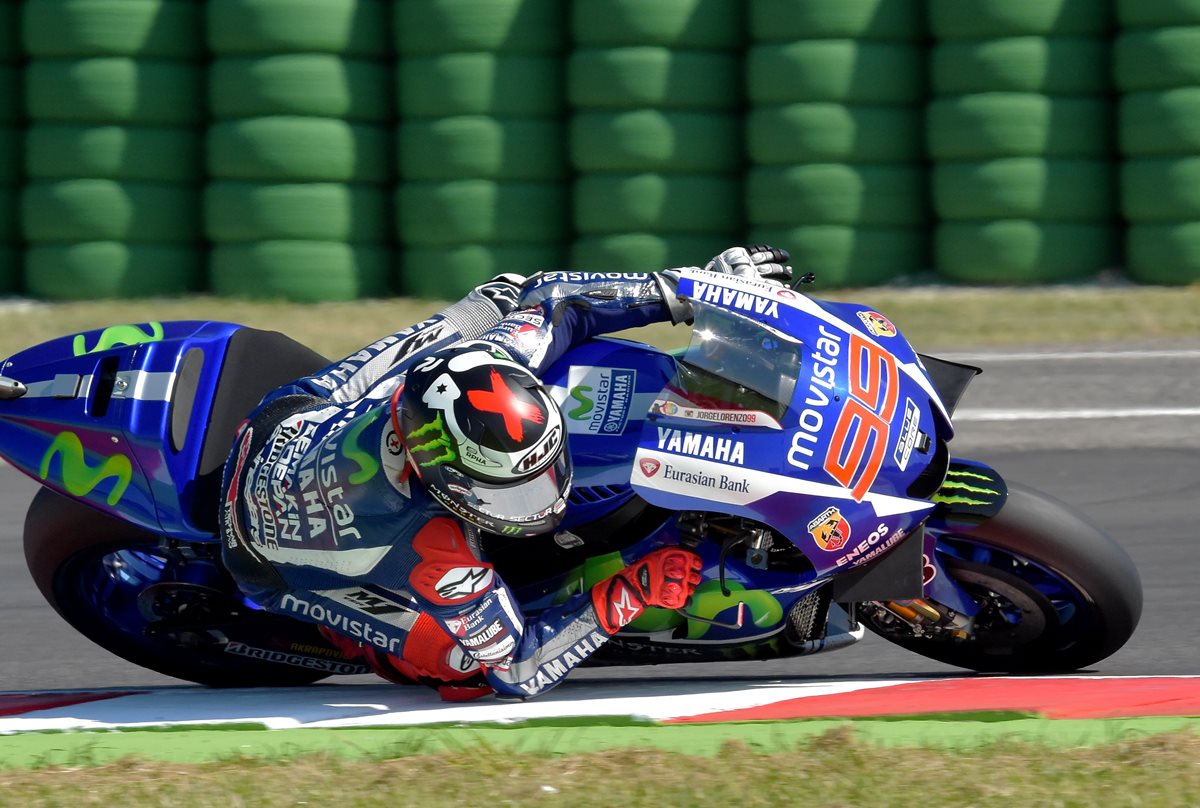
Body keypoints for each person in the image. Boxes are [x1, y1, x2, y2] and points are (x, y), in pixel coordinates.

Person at [219, 246, 793, 700]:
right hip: (263, 558)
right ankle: (350, 636)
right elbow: (518, 668)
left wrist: (689, 292)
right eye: (513, 488)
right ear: (445, 482)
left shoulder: (478, 369)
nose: (541, 499)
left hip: (288, 419)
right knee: (463, 667)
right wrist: (631, 590)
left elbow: (553, 299)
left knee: (496, 299)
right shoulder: (435, 552)